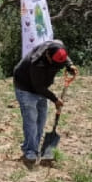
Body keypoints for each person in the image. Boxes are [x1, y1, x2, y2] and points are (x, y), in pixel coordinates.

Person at [12, 39, 78, 169]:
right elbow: (39, 88)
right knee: (31, 120)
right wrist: (55, 99)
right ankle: (30, 151)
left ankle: (33, 146)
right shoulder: (36, 63)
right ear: (48, 55)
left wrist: (69, 65)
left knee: (41, 120)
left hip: (42, 87)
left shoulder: (57, 46)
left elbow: (63, 56)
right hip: (26, 87)